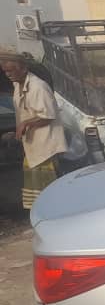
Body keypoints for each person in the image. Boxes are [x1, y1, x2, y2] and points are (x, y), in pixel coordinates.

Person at [0, 45, 66, 212]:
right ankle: (43, 212)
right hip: (33, 145)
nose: (8, 75)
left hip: (46, 145)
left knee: (48, 184)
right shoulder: (17, 85)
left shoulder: (38, 86)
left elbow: (48, 115)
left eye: (11, 71)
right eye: (6, 72)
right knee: (35, 183)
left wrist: (26, 124)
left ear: (24, 68)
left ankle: (55, 212)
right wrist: (17, 128)